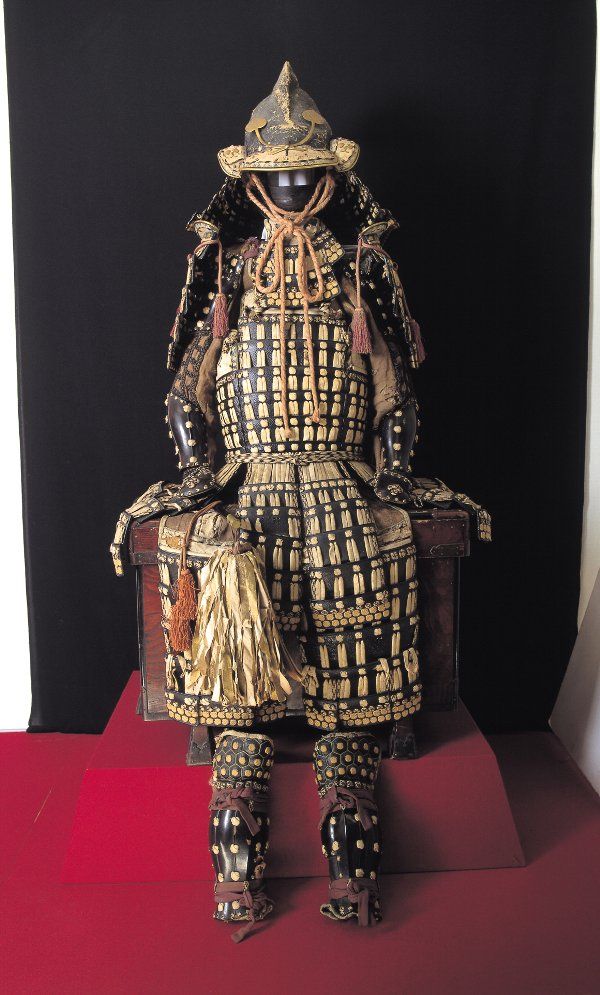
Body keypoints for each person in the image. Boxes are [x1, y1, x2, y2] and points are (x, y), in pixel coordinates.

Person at [112, 62, 490, 941]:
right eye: (273, 171)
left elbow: (394, 389)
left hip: (339, 482)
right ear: (250, 179)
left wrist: (393, 474)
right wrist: (202, 475)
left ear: (328, 176)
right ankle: (245, 874)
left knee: (349, 692)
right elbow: (187, 392)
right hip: (245, 481)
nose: (288, 184)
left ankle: (345, 863)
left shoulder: (361, 265)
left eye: (302, 169)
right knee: (244, 704)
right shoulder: (228, 267)